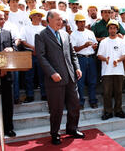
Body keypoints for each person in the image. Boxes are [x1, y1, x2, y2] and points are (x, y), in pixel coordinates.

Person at [35, 9, 84, 145]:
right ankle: (55, 133)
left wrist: (77, 68)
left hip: (70, 76)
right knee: (56, 108)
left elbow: (73, 54)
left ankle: (72, 129)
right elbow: (41, 56)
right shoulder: (41, 35)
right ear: (49, 19)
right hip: (54, 79)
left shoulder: (65, 34)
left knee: (75, 104)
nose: (60, 22)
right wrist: (52, 73)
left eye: (61, 20)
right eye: (57, 19)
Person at [97, 19, 125, 120]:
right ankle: (108, 112)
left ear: (117, 29)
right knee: (107, 93)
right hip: (107, 71)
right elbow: (99, 55)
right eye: (110, 28)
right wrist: (105, 59)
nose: (112, 30)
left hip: (119, 71)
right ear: (108, 29)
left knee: (118, 92)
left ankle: (118, 111)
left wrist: (118, 60)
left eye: (114, 28)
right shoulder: (103, 42)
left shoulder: (121, 41)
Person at [0, 9, 17, 139]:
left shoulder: (7, 33)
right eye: (1, 18)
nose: (4, 20)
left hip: (6, 75)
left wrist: (11, 49)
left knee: (8, 102)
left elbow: (16, 48)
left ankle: (9, 128)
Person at [70, 13, 98, 110]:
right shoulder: (73, 34)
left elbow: (95, 45)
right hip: (80, 59)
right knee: (80, 82)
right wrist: (84, 46)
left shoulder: (90, 33)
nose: (82, 24)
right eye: (80, 22)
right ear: (76, 23)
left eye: (83, 22)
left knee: (92, 81)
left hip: (90, 58)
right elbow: (73, 49)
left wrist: (94, 46)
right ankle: (80, 102)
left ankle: (93, 101)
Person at [20, 9, 46, 102]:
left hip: (41, 54)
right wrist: (33, 48)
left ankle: (44, 95)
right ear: (32, 17)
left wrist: (38, 49)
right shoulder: (25, 28)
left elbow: (46, 42)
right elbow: (23, 41)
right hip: (29, 54)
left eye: (40, 16)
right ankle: (30, 95)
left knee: (42, 75)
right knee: (29, 76)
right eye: (37, 15)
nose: (39, 17)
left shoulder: (44, 29)